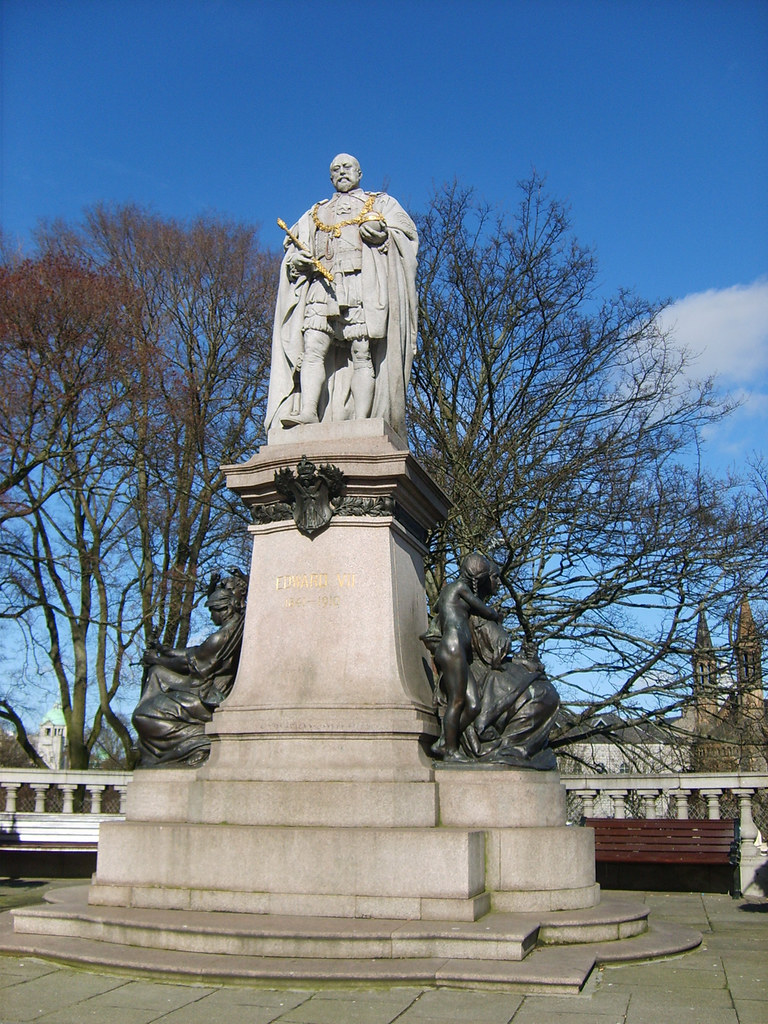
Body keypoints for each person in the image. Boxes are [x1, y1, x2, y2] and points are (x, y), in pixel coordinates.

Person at [265, 154, 418, 439]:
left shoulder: (381, 203)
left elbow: (406, 236)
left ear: (360, 172)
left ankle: (363, 419)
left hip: (360, 283)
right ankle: (309, 411)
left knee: (361, 352)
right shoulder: (314, 212)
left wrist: (383, 235)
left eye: (347, 168)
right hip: (321, 286)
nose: (341, 172)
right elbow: (293, 251)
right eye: (335, 170)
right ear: (330, 177)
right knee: (312, 347)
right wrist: (297, 261)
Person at [132, 569, 247, 766]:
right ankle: (154, 751)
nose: (211, 617)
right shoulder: (239, 623)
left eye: (213, 611)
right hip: (204, 684)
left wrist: (157, 658)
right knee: (157, 673)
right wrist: (164, 652)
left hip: (208, 694)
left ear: (226, 609)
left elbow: (191, 662)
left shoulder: (221, 637)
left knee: (142, 715)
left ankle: (199, 740)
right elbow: (193, 653)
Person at [432, 553, 501, 761]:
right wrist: (496, 614)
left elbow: (437, 608)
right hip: (452, 649)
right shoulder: (460, 589)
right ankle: (450, 750)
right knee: (457, 700)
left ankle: (445, 741)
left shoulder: (449, 591)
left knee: (473, 706)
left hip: (458, 651)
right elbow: (484, 610)